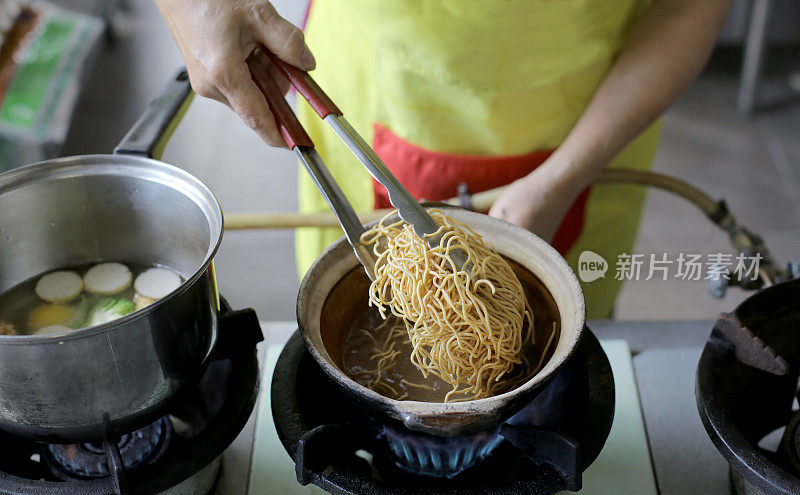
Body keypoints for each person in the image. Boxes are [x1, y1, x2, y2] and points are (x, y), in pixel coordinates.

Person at [154, 0, 732, 318]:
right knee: (362, 305)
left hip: (592, 109)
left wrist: (562, 178)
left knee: (551, 325)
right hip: (375, 77)